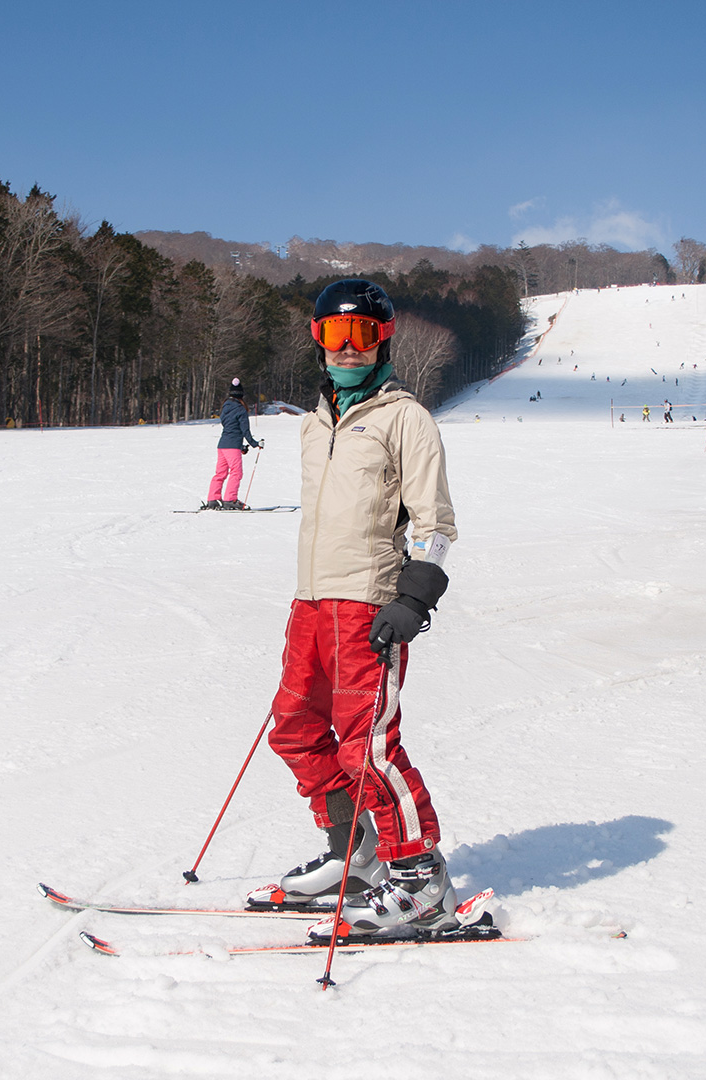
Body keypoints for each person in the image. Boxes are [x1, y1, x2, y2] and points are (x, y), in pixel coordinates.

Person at [254, 279, 460, 938]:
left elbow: (435, 522)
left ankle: (421, 880)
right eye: (334, 337)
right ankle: (356, 855)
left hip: (369, 605)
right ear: (318, 342)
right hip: (310, 602)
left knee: (368, 746)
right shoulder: (315, 423)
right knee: (293, 728)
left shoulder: (406, 418)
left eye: (361, 336)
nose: (347, 350)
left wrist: (414, 596)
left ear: (381, 342)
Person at [204, 379, 262, 510]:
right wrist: (254, 444)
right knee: (236, 472)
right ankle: (230, 499)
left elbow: (230, 427)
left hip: (222, 445)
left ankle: (213, 498)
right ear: (241, 395)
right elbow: (244, 430)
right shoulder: (241, 409)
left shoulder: (225, 407)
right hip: (232, 446)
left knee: (220, 473)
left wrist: (241, 446)